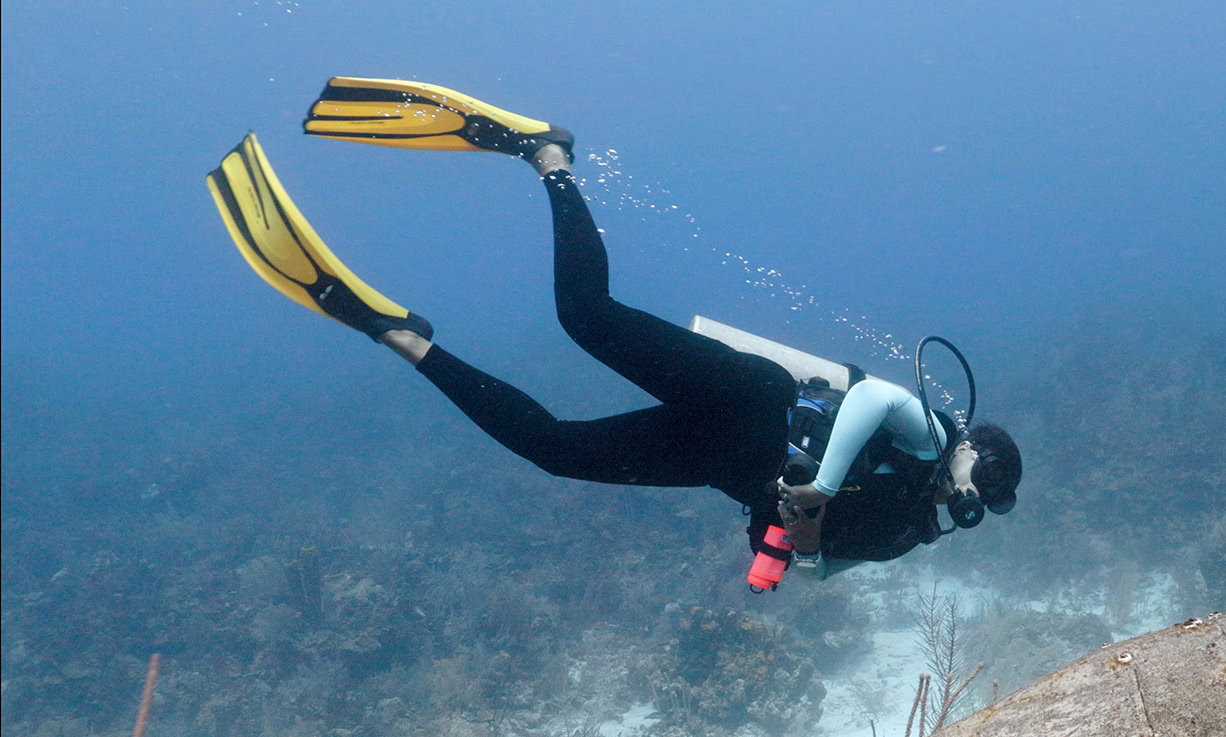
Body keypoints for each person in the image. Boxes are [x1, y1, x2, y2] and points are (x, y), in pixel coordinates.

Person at [208, 78, 1021, 588]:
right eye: (983, 474)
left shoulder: (910, 531)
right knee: (586, 317)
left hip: (720, 465)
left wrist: (803, 542)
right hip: (752, 400)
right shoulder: (929, 435)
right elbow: (875, 394)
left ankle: (400, 337)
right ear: (970, 452)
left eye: (985, 496)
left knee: (555, 451)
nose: (972, 493)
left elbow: (816, 578)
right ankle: (547, 157)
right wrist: (820, 486)